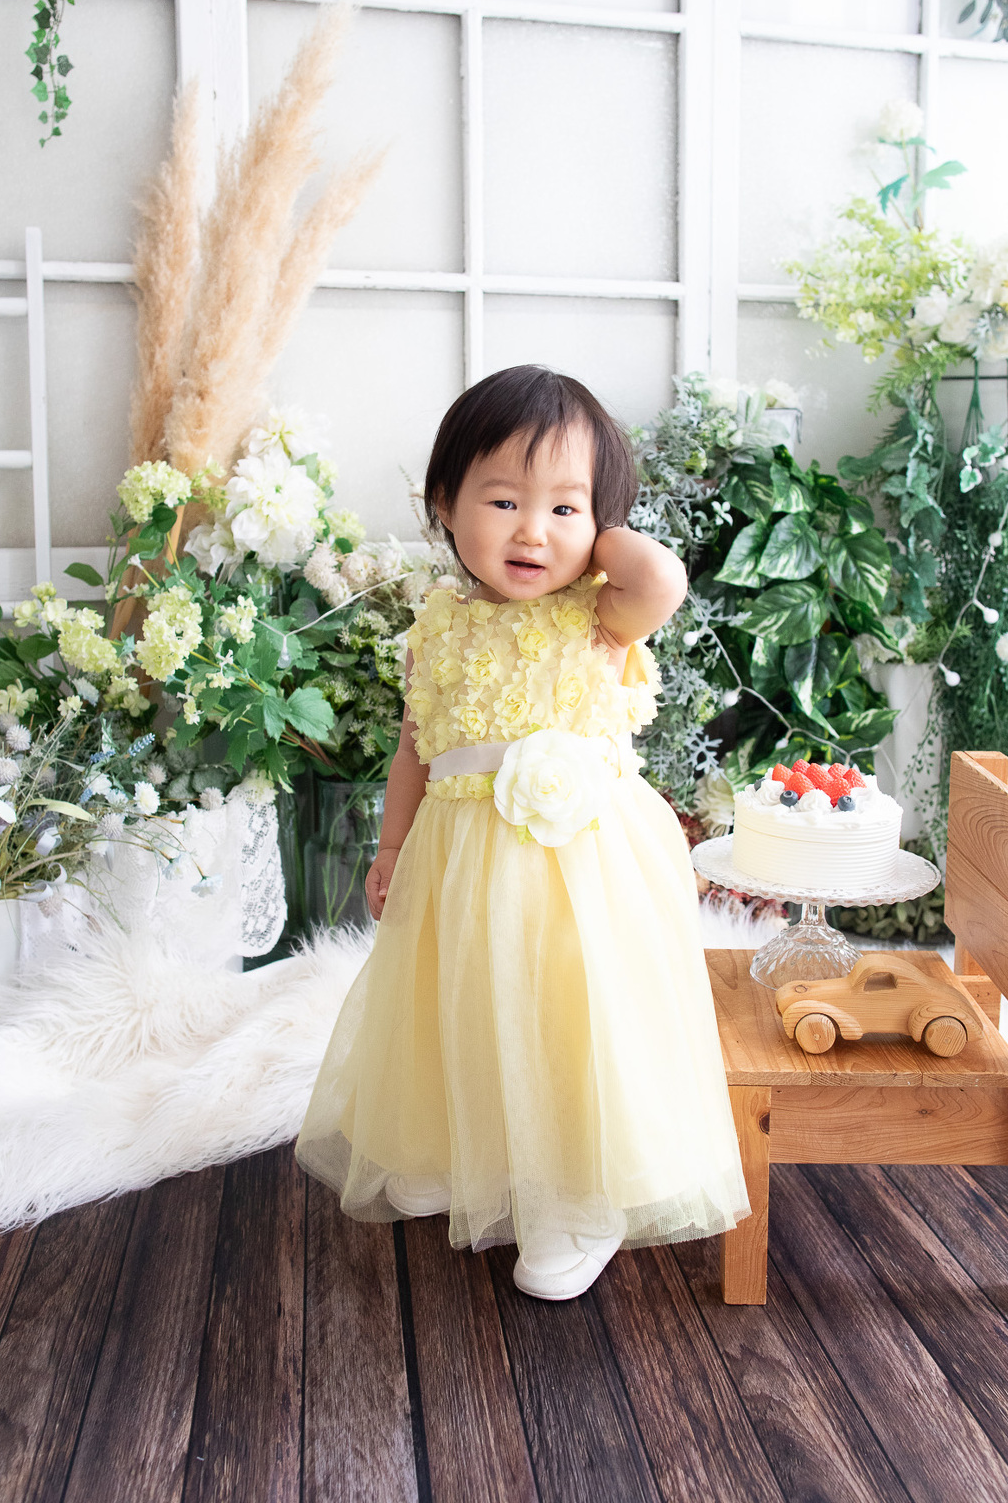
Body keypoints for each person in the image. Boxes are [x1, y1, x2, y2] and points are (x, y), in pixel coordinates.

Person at [295, 365, 749, 1299]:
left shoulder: (601, 615)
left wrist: (598, 528)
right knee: (464, 1000)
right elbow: (416, 749)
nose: (532, 530)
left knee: (570, 1016)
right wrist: (391, 849)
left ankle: (578, 1197)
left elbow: (662, 576)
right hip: (460, 859)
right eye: (504, 501)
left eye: (564, 508)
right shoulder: (436, 627)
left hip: (581, 866)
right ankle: (462, 1151)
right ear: (445, 505)